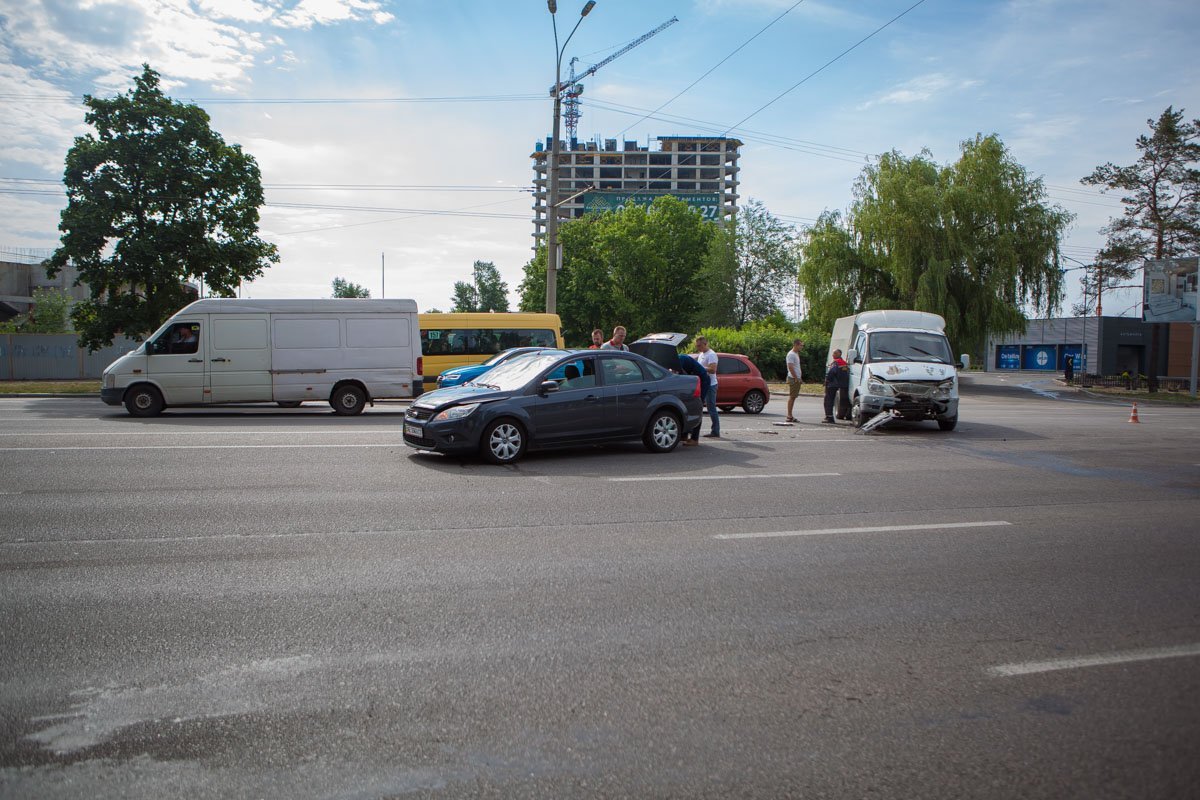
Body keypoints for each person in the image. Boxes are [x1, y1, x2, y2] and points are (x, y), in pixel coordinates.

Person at [676, 353, 711, 446]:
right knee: (686, 407)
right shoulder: (677, 360)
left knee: (696, 407)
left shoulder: (680, 360)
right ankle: (684, 435)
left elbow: (682, 376)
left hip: (703, 381)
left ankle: (695, 438)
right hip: (695, 380)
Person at [694, 335, 719, 438]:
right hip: (703, 384)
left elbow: (713, 370)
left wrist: (700, 368)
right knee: (699, 407)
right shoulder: (701, 354)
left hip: (711, 384)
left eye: (699, 346)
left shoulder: (711, 354)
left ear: (705, 344)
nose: (698, 348)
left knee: (711, 408)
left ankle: (715, 431)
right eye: (697, 346)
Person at [823, 349, 850, 423]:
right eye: (833, 353)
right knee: (842, 401)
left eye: (835, 353)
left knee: (828, 400)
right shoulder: (844, 363)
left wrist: (827, 380)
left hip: (832, 384)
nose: (833, 355)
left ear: (839, 354)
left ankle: (829, 417)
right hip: (841, 385)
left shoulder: (836, 363)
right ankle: (847, 414)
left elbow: (832, 372)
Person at [785, 338, 804, 422]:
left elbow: (796, 367)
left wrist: (799, 377)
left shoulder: (796, 354)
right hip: (793, 378)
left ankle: (790, 415)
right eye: (801, 345)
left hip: (796, 377)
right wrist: (796, 378)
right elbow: (790, 367)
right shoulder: (791, 354)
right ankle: (789, 416)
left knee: (793, 397)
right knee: (792, 397)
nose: (802, 347)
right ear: (796, 345)